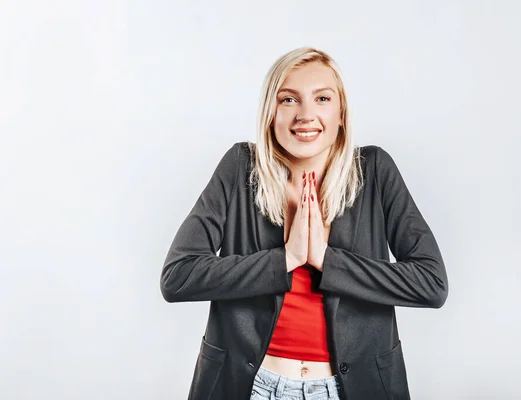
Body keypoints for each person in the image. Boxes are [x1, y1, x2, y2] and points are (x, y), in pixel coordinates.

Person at [160, 47, 448, 400]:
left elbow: (432, 283)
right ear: (271, 113)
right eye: (288, 100)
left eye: (322, 98)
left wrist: (327, 262)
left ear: (341, 113)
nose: (306, 115)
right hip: (251, 386)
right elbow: (178, 276)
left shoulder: (374, 171)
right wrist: (285, 259)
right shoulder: (240, 168)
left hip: (352, 390)